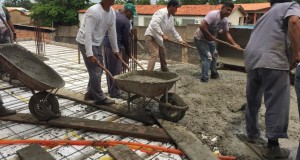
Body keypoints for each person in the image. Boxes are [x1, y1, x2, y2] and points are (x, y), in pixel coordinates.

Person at [243, 0, 300, 159]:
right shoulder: (291, 5)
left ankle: (252, 134)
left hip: (252, 58)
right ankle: (273, 147)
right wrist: (297, 53)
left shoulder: (265, 15)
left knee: (253, 99)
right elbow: (294, 22)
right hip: (272, 58)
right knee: (277, 101)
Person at [76, 0, 119, 105]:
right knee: (96, 70)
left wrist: (115, 49)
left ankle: (90, 93)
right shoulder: (94, 11)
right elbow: (87, 33)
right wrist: (89, 54)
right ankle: (99, 98)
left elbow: (112, 32)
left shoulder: (112, 12)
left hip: (97, 42)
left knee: (98, 69)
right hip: (85, 41)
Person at [194, 1, 239, 82]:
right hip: (200, 38)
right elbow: (202, 26)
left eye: (230, 11)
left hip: (210, 39)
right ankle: (204, 78)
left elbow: (227, 33)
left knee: (215, 54)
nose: (228, 12)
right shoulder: (213, 15)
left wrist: (234, 44)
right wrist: (210, 36)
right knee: (208, 57)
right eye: (227, 9)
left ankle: (214, 73)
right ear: (222, 8)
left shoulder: (225, 20)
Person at [102, 3, 137, 99]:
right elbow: (126, 40)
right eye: (132, 14)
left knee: (110, 70)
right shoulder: (125, 21)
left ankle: (111, 90)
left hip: (105, 45)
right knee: (116, 71)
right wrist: (129, 53)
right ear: (127, 11)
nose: (132, 16)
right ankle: (115, 92)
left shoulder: (116, 14)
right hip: (114, 47)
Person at [144, 0, 187, 72]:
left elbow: (172, 30)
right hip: (150, 35)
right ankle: (148, 73)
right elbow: (154, 25)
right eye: (176, 8)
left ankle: (164, 70)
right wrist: (162, 34)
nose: (176, 10)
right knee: (154, 53)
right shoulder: (161, 12)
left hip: (158, 37)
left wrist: (181, 40)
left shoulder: (171, 17)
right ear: (171, 7)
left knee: (163, 53)